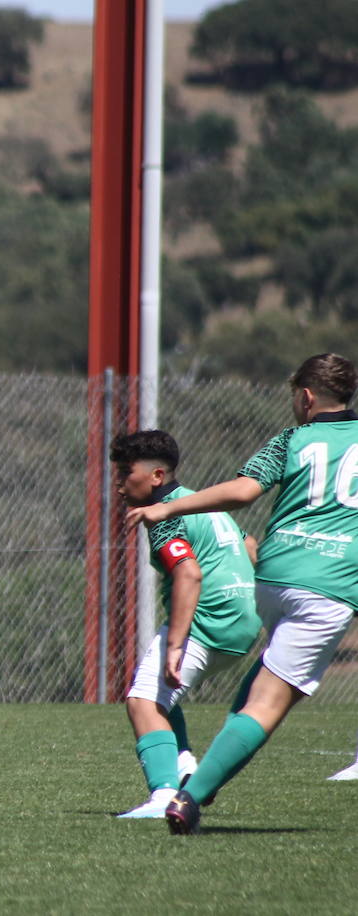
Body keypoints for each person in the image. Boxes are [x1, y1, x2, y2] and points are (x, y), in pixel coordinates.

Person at [126, 353, 358, 834]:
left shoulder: (290, 440)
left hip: (272, 579)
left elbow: (242, 491)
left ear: (306, 397)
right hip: (332, 585)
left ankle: (187, 770)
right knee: (267, 705)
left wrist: (169, 509)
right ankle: (187, 798)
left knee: (261, 683)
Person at [111, 430, 261, 819]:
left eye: (127, 473)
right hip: (244, 623)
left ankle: (163, 796)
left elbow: (189, 574)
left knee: (143, 701)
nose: (119, 482)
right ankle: (183, 766)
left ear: (157, 476)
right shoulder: (206, 504)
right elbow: (249, 546)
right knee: (154, 686)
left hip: (208, 622)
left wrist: (176, 643)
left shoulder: (164, 514)